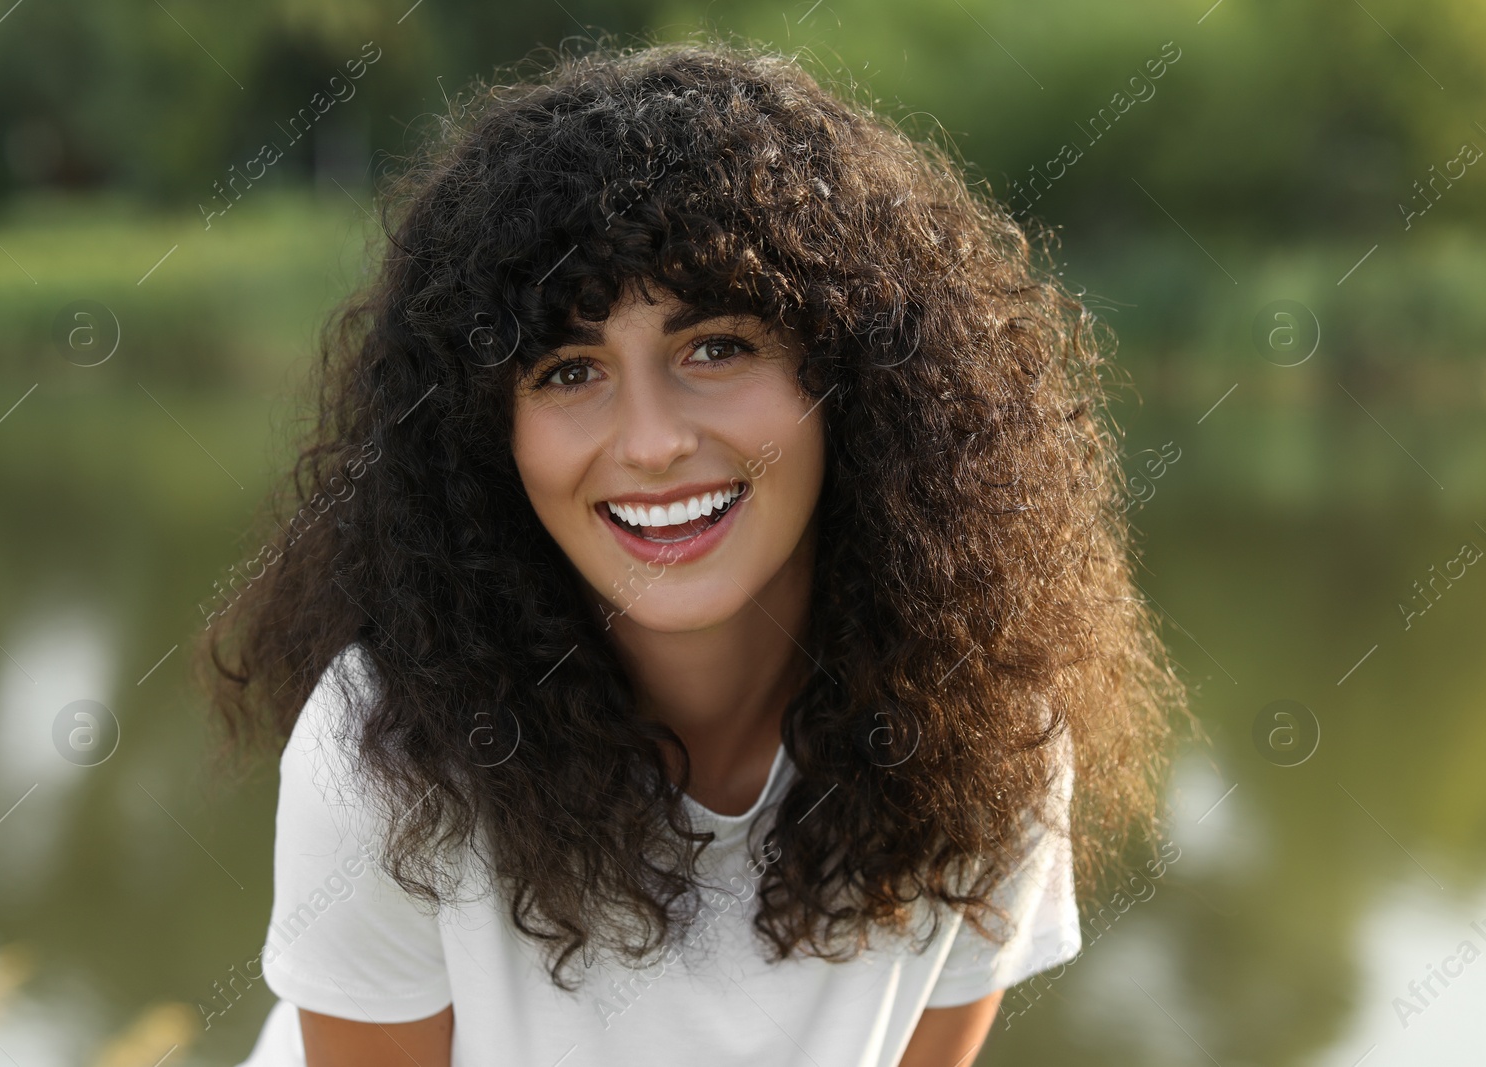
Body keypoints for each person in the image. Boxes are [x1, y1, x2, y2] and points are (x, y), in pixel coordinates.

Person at [202, 35, 1188, 1067]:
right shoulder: (389, 753)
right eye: (567, 371)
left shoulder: (985, 730)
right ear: (483, 436)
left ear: (850, 379)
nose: (652, 441)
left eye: (715, 347)